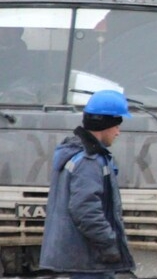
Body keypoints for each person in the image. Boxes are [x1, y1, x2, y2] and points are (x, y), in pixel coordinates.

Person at [40, 90, 136, 279]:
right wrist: (109, 244)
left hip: (83, 260)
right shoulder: (88, 161)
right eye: (117, 125)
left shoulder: (77, 155)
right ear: (105, 125)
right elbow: (86, 211)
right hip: (89, 261)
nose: (118, 131)